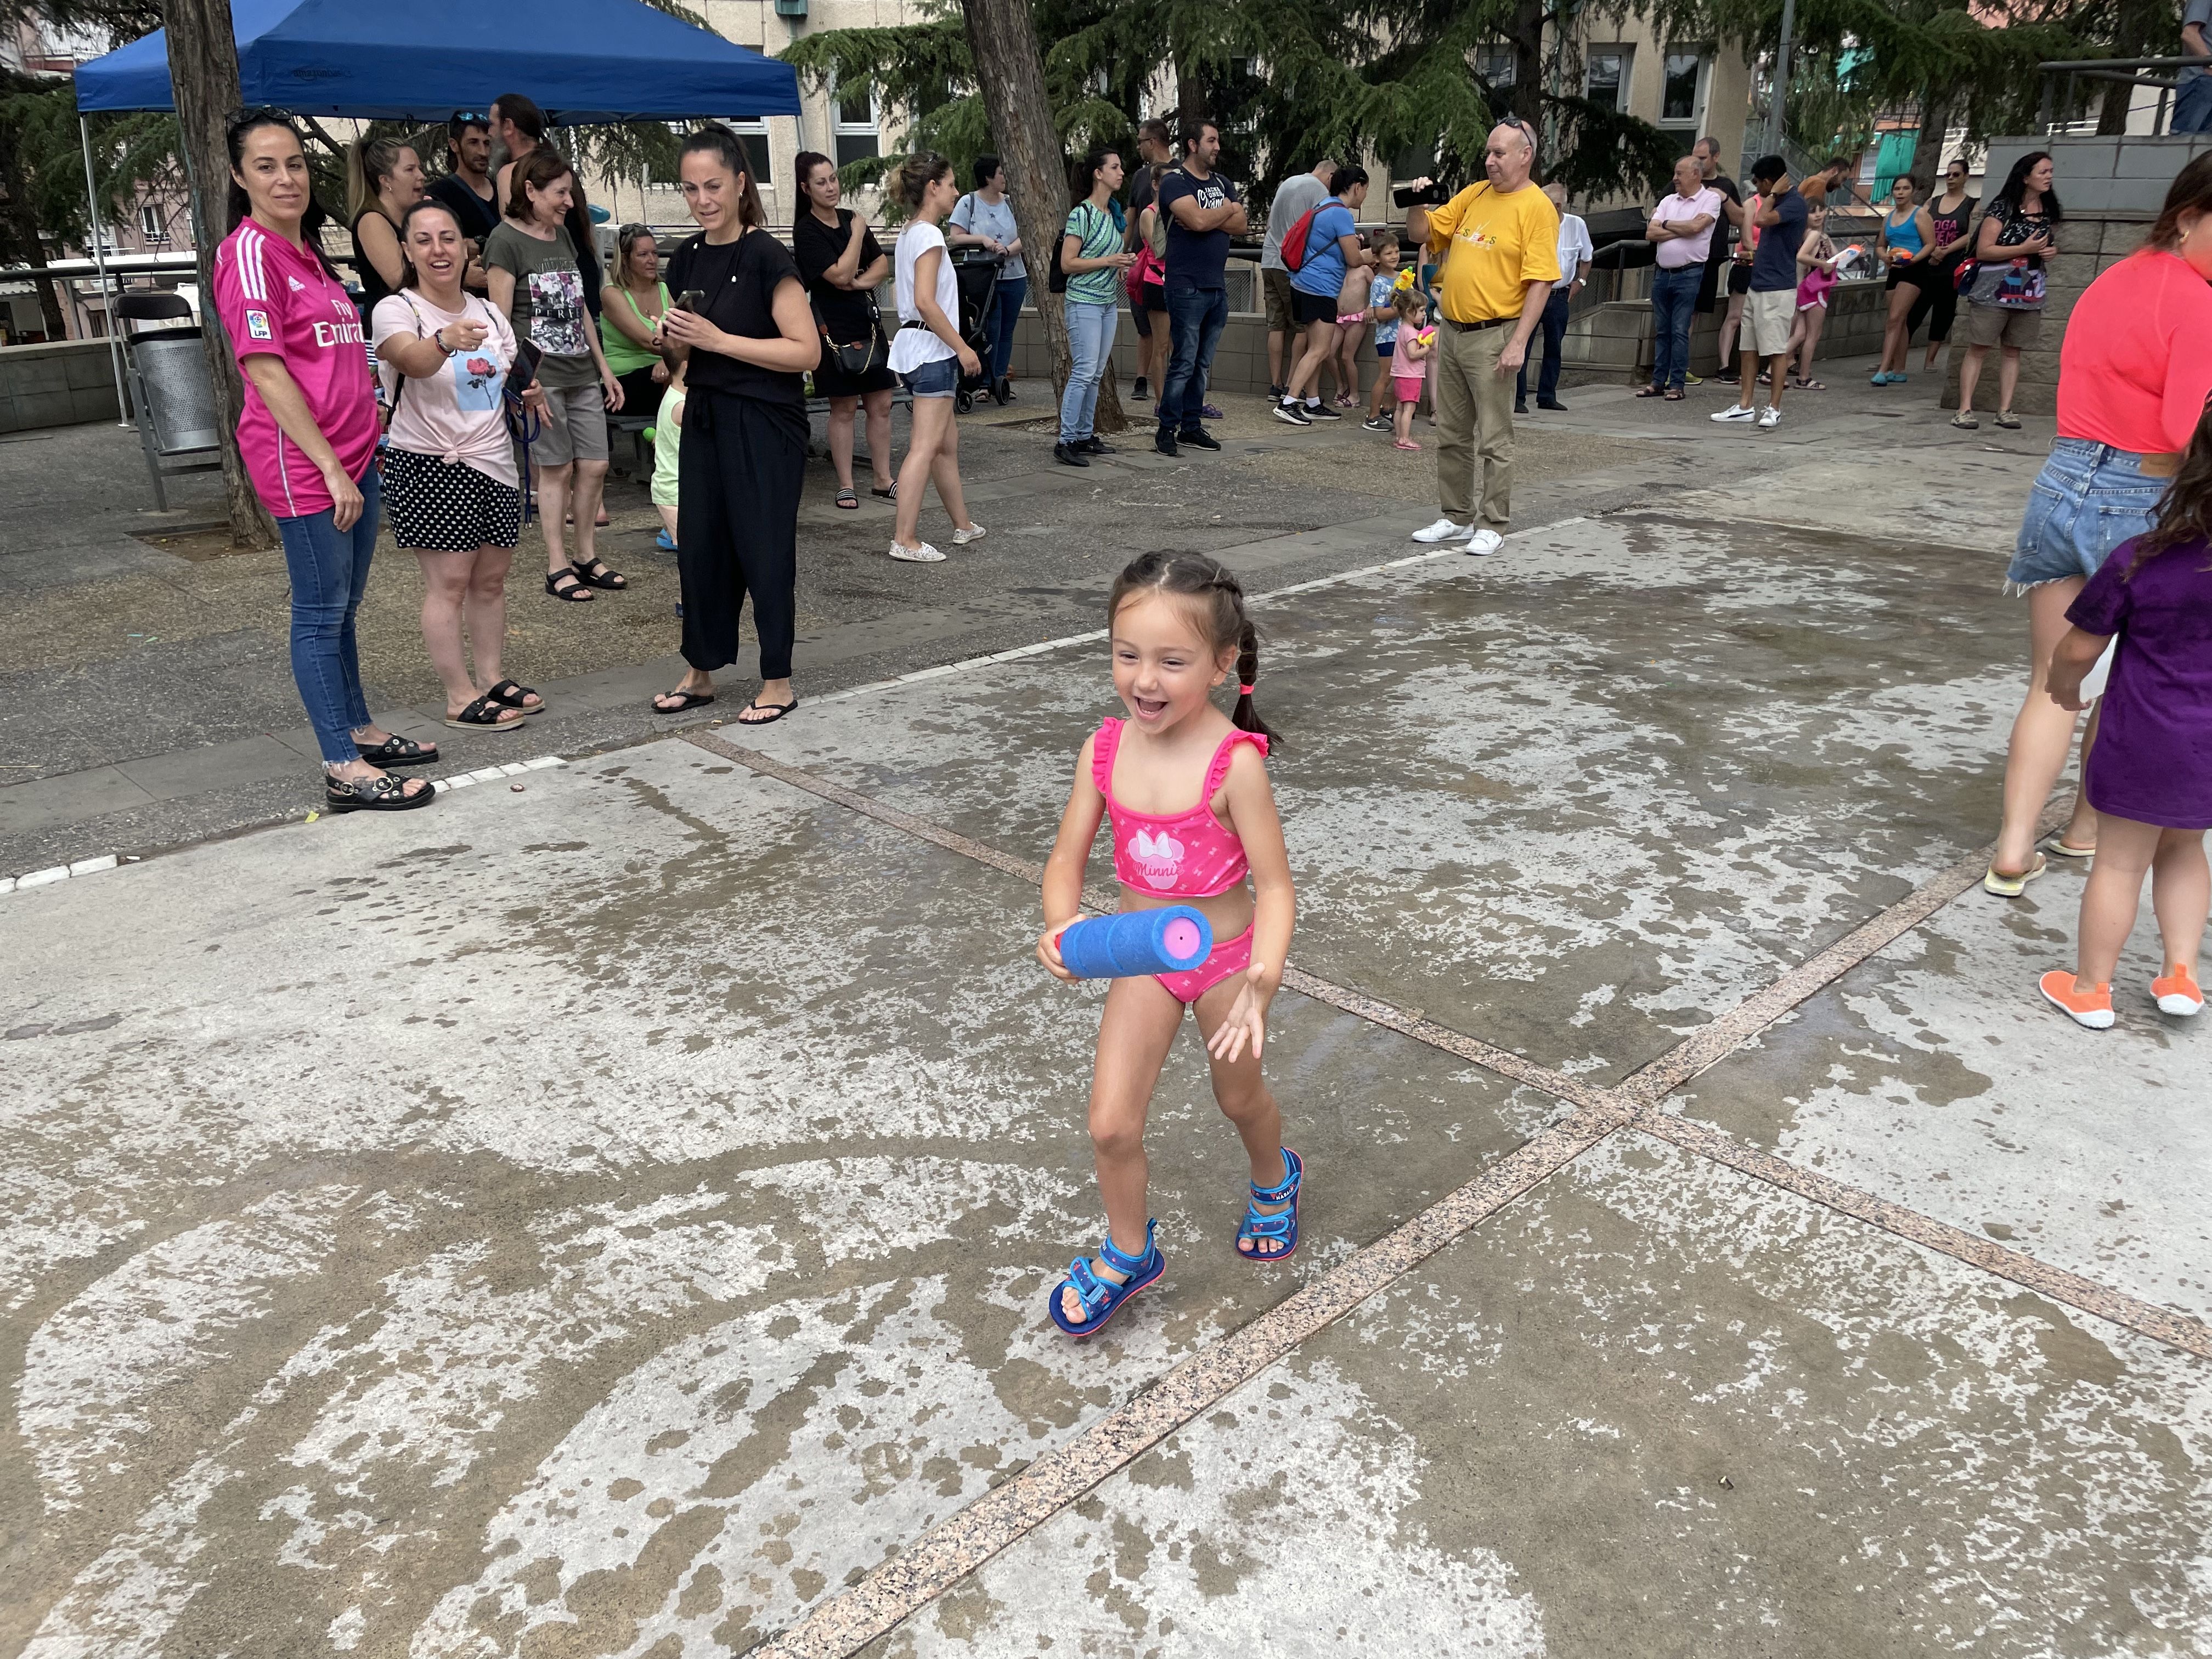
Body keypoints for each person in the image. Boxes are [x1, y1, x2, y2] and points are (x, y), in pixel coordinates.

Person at [1035, 551, 1296, 1336]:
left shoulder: (1235, 764)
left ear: (1222, 664)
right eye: (1127, 655)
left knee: (1239, 1099)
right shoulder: (1104, 749)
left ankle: (1273, 1177)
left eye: (1172, 662)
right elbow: (1064, 859)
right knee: (1110, 1124)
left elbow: (1276, 887)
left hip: (1225, 963)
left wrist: (1263, 981)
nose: (1145, 680)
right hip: (1139, 954)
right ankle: (1128, 1252)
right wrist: (1062, 924)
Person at [1981, 152, 2212, 896]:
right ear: (2188, 217)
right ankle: (2085, 830)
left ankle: (2015, 847)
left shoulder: (2109, 281)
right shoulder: (2200, 303)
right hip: (2144, 498)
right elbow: (2185, 430)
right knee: (2132, 683)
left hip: (2062, 482)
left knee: (2054, 683)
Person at [215, 112, 431, 813]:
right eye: (268, 166)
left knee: (344, 609)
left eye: (296, 164)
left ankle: (358, 729)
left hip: (354, 454)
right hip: (308, 468)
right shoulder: (249, 255)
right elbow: (267, 371)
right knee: (318, 611)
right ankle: (341, 764)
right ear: (239, 176)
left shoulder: (308, 254)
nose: (287, 179)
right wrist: (332, 469)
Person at [2037, 421, 2212, 1028]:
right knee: (2187, 849)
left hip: (2143, 738)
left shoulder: (2142, 559)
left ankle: (2091, 989)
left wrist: (2062, 687)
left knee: (2119, 862)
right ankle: (2181, 976)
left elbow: (2080, 651)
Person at [654, 124, 818, 723]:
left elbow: (806, 353)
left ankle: (777, 679)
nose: (703, 199)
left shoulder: (766, 256)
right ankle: (700, 669)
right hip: (705, 415)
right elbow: (684, 356)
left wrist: (720, 340)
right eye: (691, 188)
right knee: (699, 548)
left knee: (763, 549)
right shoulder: (689, 256)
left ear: (741, 182)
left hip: (765, 421)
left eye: (714, 185)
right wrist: (669, 341)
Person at [374, 199, 543, 736]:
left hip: (493, 459)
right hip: (429, 463)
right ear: (406, 250)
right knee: (448, 583)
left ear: (466, 245)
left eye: (447, 238)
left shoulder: (490, 311)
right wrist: (444, 339)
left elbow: (496, 382)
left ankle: (490, 678)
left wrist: (527, 390)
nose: (438, 250)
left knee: (491, 581)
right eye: (423, 240)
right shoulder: (397, 310)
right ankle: (457, 695)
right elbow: (414, 362)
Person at [483, 148, 627, 605]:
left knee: (596, 464)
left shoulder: (562, 236)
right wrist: (522, 385)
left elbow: (579, 304)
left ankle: (586, 555)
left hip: (581, 368)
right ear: (531, 190)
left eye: (570, 191)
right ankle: (557, 564)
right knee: (556, 469)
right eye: (560, 192)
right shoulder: (504, 242)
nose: (569, 201)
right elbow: (500, 323)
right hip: (540, 380)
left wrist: (604, 366)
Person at [1409, 119, 1560, 553]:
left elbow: (1541, 282)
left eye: (1499, 153)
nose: (1490, 161)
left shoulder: (1536, 208)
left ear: (1525, 155)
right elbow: (1424, 234)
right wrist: (1419, 202)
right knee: (1452, 433)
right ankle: (1455, 516)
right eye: (1489, 152)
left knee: (1495, 437)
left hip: (1495, 334)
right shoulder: (1475, 193)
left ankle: (1492, 521)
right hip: (1453, 329)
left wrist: (1518, 343)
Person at [884, 151, 985, 562]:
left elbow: (912, 299)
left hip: (915, 349)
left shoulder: (911, 233)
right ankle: (904, 538)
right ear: (933, 187)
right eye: (951, 183)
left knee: (945, 443)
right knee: (926, 446)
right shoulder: (929, 235)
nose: (957, 191)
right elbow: (927, 301)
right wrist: (962, 348)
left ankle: (963, 524)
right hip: (932, 350)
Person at [792, 151, 898, 509]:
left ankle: (883, 479)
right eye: (821, 182)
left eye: (833, 179)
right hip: (830, 326)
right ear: (806, 188)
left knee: (881, 402)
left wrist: (856, 284)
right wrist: (857, 234)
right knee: (844, 408)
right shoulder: (807, 230)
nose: (831, 187)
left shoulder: (851, 217)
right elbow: (836, 273)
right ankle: (846, 484)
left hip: (865, 319)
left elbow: (882, 264)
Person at [1155, 121, 1246, 457]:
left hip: (1216, 288)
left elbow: (1242, 225)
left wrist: (1213, 215)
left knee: (1202, 364)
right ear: (1193, 145)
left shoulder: (1223, 183)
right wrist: (1226, 210)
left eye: (1218, 140)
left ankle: (1191, 427)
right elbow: (1197, 222)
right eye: (1212, 140)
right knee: (1184, 361)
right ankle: (1167, 429)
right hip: (1185, 287)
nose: (1217, 146)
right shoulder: (1173, 182)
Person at [1955, 151, 2058, 432]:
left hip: (2030, 287)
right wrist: (2024, 249)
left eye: (2051, 171)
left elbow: (2045, 245)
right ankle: (1964, 409)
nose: (2049, 176)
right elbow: (1984, 250)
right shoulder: (2003, 207)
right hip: (1994, 287)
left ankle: (2005, 409)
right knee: (1980, 347)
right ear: (2026, 178)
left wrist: (2049, 252)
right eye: (2043, 172)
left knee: (2013, 350)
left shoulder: (2049, 209)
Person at [1055, 148, 1136, 469]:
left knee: (1096, 372)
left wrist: (1120, 265)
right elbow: (1067, 263)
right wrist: (1109, 261)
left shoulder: (1113, 214)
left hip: (1106, 302)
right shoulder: (1082, 214)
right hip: (1083, 302)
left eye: (1121, 167)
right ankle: (1066, 439)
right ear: (1098, 174)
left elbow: (1107, 256)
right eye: (1115, 167)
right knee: (1084, 371)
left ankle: (1084, 435)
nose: (1121, 173)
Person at [1711, 154, 1805, 431]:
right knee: (1748, 347)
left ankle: (1774, 408)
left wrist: (1773, 195)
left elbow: (1762, 220)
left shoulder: (1795, 204)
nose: (1755, 188)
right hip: (1758, 283)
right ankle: (1745, 406)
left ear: (1769, 182)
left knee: (1776, 350)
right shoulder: (1775, 198)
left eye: (1758, 183)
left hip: (1779, 288)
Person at [490, 93, 602, 321]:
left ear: (508, 127)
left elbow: (513, 241)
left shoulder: (510, 174)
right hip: (582, 280)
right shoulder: (558, 167)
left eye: (492, 124)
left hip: (546, 298)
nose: (489, 133)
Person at [1276, 166, 1370, 426]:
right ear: (1357, 186)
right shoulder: (1341, 214)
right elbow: (1353, 258)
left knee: (1314, 346)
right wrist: (1371, 255)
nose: (1364, 197)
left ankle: (1313, 402)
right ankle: (1289, 401)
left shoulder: (1323, 206)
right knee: (1320, 349)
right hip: (1320, 288)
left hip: (1302, 283)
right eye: (1365, 190)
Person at [947, 155, 1026, 404]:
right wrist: (983, 241)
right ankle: (982, 382)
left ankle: (999, 380)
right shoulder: (968, 202)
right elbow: (956, 237)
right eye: (1000, 173)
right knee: (989, 329)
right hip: (983, 276)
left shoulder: (1012, 203)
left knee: (1006, 331)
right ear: (988, 177)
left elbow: (1026, 234)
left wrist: (1008, 250)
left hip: (1013, 274)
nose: (1004, 177)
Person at [1641, 156, 1720, 402]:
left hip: (1689, 273)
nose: (1675, 179)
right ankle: (1658, 382)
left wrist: (1665, 224)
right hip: (1662, 273)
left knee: (1679, 329)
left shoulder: (1711, 199)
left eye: (1679, 174)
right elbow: (1650, 233)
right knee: (1662, 330)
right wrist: (1678, 227)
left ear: (1696, 174)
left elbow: (1696, 229)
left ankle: (1677, 383)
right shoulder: (1667, 200)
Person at [1261, 155, 1334, 399]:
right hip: (1290, 264)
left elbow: (1272, 223)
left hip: (1269, 259)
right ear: (1330, 176)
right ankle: (1293, 386)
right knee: (1302, 327)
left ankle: (1275, 385)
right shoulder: (1319, 191)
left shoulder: (1288, 183)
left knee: (1276, 325)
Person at [1516, 181, 1590, 414]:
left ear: (1557, 206)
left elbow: (1587, 257)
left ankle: (1547, 395)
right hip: (1531, 292)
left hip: (1559, 294)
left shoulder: (1576, 225)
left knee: (1554, 346)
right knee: (1522, 344)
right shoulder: (1532, 223)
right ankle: (1517, 398)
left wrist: (1580, 283)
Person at [1908, 157, 1978, 374]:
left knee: (1944, 313)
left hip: (1952, 268)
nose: (1951, 179)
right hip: (1928, 265)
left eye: (1956, 174)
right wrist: (1933, 249)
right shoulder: (1933, 202)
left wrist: (1945, 250)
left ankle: (1930, 360)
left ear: (1966, 176)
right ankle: (1894, 355)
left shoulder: (1972, 204)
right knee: (1913, 311)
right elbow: (1921, 227)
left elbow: (1972, 234)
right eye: (1948, 174)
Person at [346, 134, 423, 326]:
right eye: (410, 170)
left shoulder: (412, 217)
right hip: (390, 332)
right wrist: (458, 273)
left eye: (419, 168)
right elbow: (399, 279)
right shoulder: (372, 220)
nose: (421, 176)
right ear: (386, 180)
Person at [1123, 119, 1175, 399]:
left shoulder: (1180, 172)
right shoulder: (1141, 177)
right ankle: (1142, 381)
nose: (1139, 147)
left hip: (1173, 268)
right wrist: (1123, 255)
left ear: (1152, 142)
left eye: (1140, 141)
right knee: (1146, 328)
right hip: (1145, 262)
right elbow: (1130, 219)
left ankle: (1174, 391)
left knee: (1170, 336)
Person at [599, 223, 670, 414]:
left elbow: (682, 335)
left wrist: (669, 361)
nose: (652, 260)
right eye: (643, 254)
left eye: (655, 253)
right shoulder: (613, 294)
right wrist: (675, 359)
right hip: (622, 384)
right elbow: (648, 341)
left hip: (662, 370)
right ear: (626, 259)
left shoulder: (663, 289)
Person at [1871, 175, 1936, 384]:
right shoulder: (1888, 218)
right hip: (1895, 269)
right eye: (1897, 189)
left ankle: (1883, 369)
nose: (1900, 193)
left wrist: (1913, 260)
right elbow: (1880, 245)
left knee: (1894, 318)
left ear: (1913, 191)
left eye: (1905, 188)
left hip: (1915, 270)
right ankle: (1899, 369)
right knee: (1900, 320)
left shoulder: (1920, 215)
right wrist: (1885, 258)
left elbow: (1930, 244)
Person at [1692, 136, 1747, 354]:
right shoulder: (1685, 180)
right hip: (1687, 257)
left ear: (1716, 157)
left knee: (1695, 313)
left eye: (1703, 158)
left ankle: (1680, 366)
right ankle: (1673, 368)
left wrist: (1724, 198)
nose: (1697, 163)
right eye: (1694, 158)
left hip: (1712, 258)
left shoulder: (1725, 185)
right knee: (1682, 313)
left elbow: (1740, 218)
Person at [1784, 204, 1843, 390]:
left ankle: (1772, 370)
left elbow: (1836, 258)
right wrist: (1822, 264)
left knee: (1801, 334)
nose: (1818, 215)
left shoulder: (1817, 235)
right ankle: (1803, 377)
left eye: (1821, 210)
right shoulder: (1814, 235)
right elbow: (1802, 257)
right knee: (1812, 336)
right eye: (1812, 211)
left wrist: (1854, 253)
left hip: (1808, 288)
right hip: (1815, 287)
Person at [427, 112, 499, 250]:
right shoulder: (439, 194)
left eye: (487, 143)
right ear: (454, 145)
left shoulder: (503, 191)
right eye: (473, 143)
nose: (483, 152)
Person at [1361, 240, 1408, 431]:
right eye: (1389, 253)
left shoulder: (1404, 277)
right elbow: (1380, 314)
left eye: (1396, 251)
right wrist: (1404, 307)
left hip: (1405, 334)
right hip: (1387, 336)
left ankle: (1388, 408)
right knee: (1386, 375)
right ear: (1378, 258)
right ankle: (1372, 416)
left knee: (1402, 375)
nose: (1395, 256)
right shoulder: (1379, 282)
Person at [1387, 287, 1433, 451]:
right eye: (1421, 311)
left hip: (1400, 374)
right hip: (1411, 375)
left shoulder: (1402, 330)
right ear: (1409, 312)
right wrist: (1427, 349)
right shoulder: (1412, 333)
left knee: (1400, 407)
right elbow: (1413, 354)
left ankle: (1400, 436)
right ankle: (1405, 439)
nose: (1424, 314)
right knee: (1409, 408)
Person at [650, 353, 686, 552]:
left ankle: (670, 532)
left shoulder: (672, 394)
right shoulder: (682, 406)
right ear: (688, 368)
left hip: (674, 486)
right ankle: (672, 535)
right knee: (689, 545)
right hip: (673, 489)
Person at [2177, 0, 2212, 136]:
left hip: (2204, 85)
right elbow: (2189, 34)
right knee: (2184, 147)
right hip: (2200, 84)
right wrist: (2209, 64)